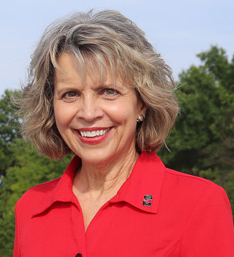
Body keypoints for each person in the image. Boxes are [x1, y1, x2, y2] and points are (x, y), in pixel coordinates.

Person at [13, 10, 234, 257]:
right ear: (51, 107)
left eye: (108, 91)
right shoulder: (30, 208)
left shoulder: (199, 203)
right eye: (70, 94)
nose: (88, 113)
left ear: (141, 103)